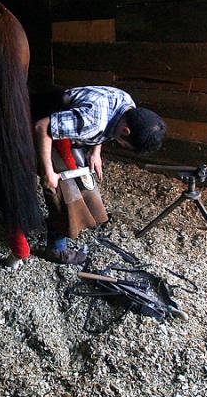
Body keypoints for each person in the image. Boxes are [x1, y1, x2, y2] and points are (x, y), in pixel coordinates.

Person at [32, 85, 167, 264]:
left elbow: (108, 125)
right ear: (125, 131)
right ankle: (56, 249)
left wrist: (96, 153)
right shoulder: (91, 123)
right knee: (64, 191)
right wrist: (48, 171)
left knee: (84, 182)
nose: (121, 146)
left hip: (71, 126)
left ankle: (69, 222)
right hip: (44, 123)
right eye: (124, 144)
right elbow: (43, 126)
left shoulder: (129, 106)